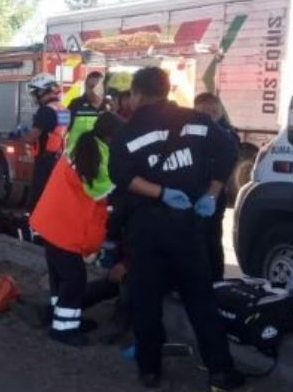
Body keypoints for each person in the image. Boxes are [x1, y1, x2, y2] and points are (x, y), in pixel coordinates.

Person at [109, 67, 244, 390]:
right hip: (187, 225)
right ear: (168, 90)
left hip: (146, 227)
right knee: (200, 298)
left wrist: (160, 193)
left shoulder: (129, 131)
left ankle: (150, 369)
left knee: (147, 299)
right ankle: (221, 371)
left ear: (138, 95)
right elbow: (228, 151)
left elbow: (122, 176)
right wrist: (212, 194)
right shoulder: (197, 121)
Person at [31, 112, 124, 347]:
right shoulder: (99, 157)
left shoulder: (83, 144)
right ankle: (63, 329)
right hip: (65, 228)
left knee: (59, 277)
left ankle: (60, 315)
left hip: (51, 222)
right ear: (111, 137)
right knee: (75, 280)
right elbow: (105, 192)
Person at [194, 92, 240, 282]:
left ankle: (215, 280)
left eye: (212, 109)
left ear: (220, 110)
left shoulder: (227, 133)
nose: (209, 113)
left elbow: (226, 162)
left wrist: (211, 195)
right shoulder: (198, 129)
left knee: (210, 238)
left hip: (214, 193)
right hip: (196, 191)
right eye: (203, 110)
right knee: (199, 239)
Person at [22, 73, 70, 214]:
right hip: (59, 159)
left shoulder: (45, 110)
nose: (35, 97)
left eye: (36, 92)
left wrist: (21, 134)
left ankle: (33, 230)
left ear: (43, 91)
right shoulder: (63, 109)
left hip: (45, 161)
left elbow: (31, 138)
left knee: (37, 198)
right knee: (52, 198)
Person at [66, 71, 108, 153]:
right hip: (77, 158)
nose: (93, 90)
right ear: (85, 86)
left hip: (103, 160)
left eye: (96, 87)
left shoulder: (109, 105)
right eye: (90, 87)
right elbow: (63, 129)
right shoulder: (75, 104)